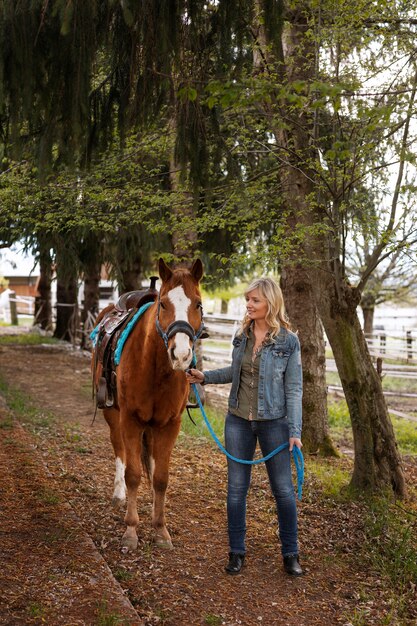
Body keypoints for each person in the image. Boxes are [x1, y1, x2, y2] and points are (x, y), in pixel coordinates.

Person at [186, 277, 303, 576]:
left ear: (270, 303)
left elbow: (294, 389)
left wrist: (295, 432)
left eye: (255, 300)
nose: (249, 305)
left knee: (283, 491)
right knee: (236, 491)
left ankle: (291, 554)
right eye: (248, 300)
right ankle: (236, 552)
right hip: (238, 420)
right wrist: (205, 376)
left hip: (274, 424)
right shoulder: (242, 336)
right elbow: (234, 372)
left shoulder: (288, 341)